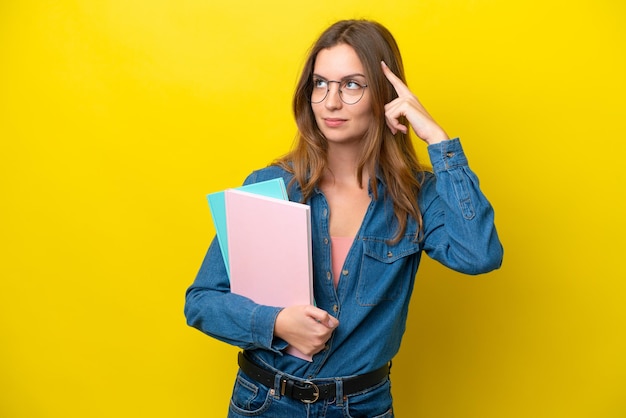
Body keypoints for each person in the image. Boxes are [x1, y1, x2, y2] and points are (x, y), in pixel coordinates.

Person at [185, 19, 503, 417]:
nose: (331, 102)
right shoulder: (271, 185)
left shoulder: (418, 196)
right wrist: (275, 322)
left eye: (352, 85)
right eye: (321, 84)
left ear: (386, 96)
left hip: (362, 406)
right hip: (263, 402)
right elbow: (201, 301)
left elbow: (479, 254)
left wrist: (439, 142)